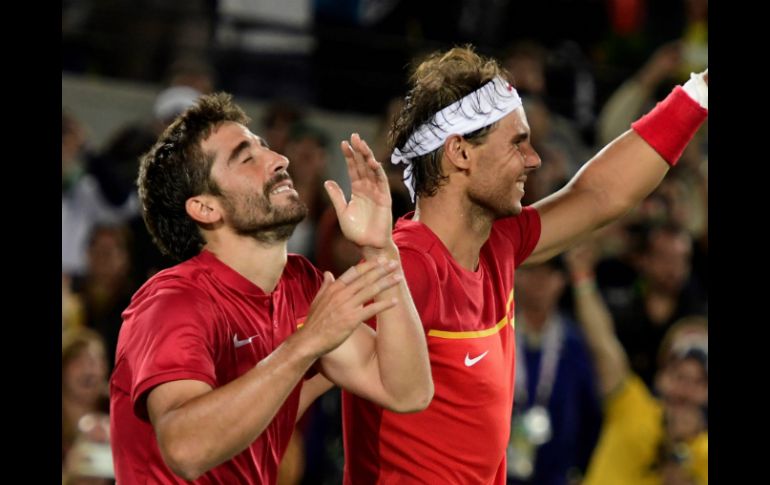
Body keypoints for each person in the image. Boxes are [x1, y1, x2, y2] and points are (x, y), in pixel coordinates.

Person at [337, 46, 708, 483]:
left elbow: (601, 195)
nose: (534, 159)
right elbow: (300, 367)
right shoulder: (407, 269)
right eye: (517, 143)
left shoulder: (498, 244)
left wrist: (699, 92)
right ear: (460, 153)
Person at [109, 93, 433, 483]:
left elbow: (407, 391)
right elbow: (185, 449)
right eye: (247, 158)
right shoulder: (172, 301)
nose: (279, 159)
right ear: (206, 208)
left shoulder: (301, 284)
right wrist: (306, 343)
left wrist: (381, 250)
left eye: (264, 147)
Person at [564, 243, 707, 485]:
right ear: (662, 378)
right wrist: (582, 276)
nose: (685, 390)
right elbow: (602, 344)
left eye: (699, 381)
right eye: (679, 377)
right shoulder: (632, 404)